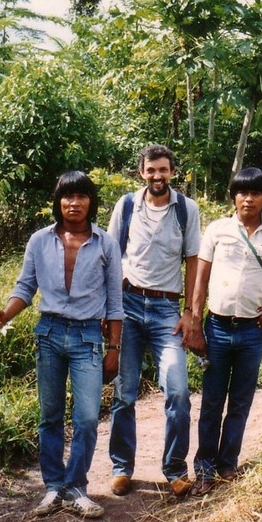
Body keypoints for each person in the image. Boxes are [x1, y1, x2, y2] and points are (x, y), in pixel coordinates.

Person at [0, 171, 123, 519]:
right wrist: (5, 316)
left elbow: (115, 302)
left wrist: (114, 349)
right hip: (48, 334)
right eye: (67, 197)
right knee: (50, 416)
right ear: (57, 201)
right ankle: (52, 488)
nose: (73, 203)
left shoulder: (105, 243)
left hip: (88, 338)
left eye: (81, 196)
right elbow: (25, 289)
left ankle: (76, 487)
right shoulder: (39, 240)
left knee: (88, 417)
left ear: (91, 202)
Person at [188, 167, 262, 495]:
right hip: (216, 328)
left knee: (240, 401)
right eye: (243, 192)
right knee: (212, 400)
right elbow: (200, 279)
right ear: (234, 197)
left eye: (255, 193)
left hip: (252, 332)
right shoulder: (218, 230)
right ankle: (204, 469)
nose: (248, 199)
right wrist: (195, 322)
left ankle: (228, 465)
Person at [106, 144, 201, 498]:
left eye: (163, 170)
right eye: (151, 170)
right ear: (141, 173)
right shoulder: (127, 205)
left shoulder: (187, 210)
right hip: (128, 305)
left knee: (178, 391)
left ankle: (175, 469)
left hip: (167, 312)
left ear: (172, 172)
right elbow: (111, 256)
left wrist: (192, 313)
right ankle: (121, 468)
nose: (157, 176)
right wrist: (110, 311)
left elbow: (194, 261)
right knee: (124, 393)